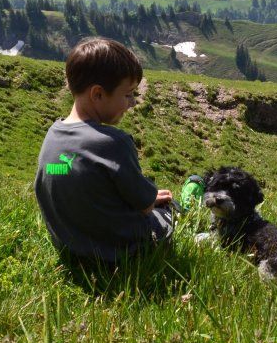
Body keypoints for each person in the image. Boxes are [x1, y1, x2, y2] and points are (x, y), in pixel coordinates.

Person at [34, 37, 173, 265]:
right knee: (167, 210)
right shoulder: (113, 142)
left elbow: (72, 176)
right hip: (120, 255)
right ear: (97, 94)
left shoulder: (53, 135)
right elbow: (146, 205)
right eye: (128, 94)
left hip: (71, 249)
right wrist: (151, 199)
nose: (132, 103)